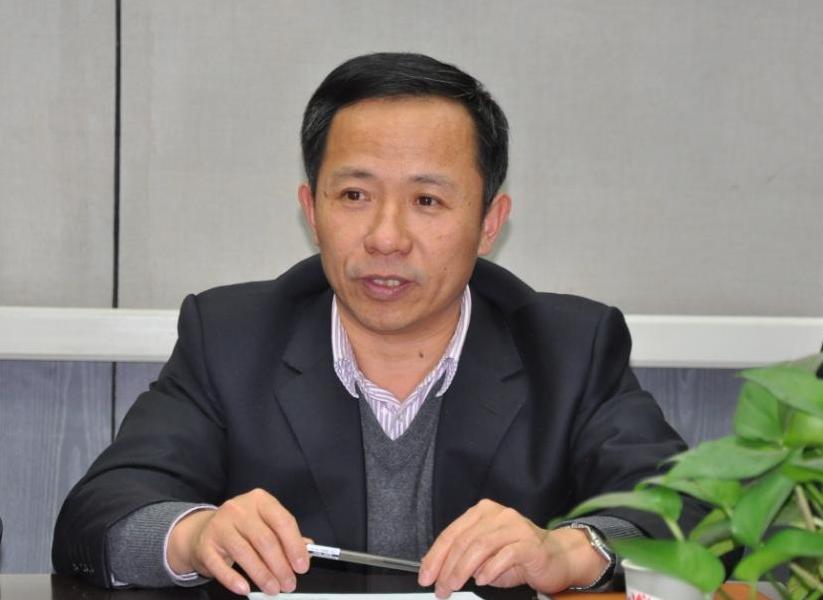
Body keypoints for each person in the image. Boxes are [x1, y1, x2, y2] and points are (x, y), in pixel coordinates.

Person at [52, 52, 703, 598]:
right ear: (312, 209)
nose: (386, 237)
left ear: (489, 223)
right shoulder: (232, 336)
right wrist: (194, 535)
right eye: (354, 195)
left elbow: (696, 514)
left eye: (427, 200)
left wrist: (574, 552)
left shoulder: (567, 347)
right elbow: (98, 515)